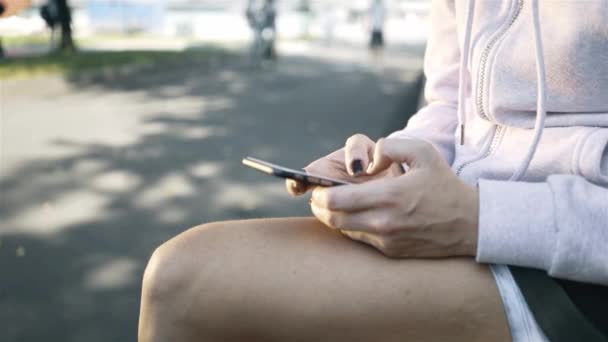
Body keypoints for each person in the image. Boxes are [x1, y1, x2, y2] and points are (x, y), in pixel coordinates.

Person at [138, 0, 608, 341]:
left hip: (576, 273)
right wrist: (398, 160)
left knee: (183, 280)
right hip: (478, 221)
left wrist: (479, 219)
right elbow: (452, 101)